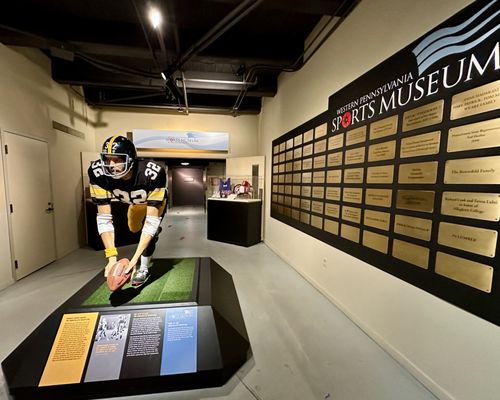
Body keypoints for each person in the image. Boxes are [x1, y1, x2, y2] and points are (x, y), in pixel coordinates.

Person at [88, 135, 167, 287]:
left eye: (117, 160)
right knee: (134, 228)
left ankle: (144, 269)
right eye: (107, 159)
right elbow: (104, 218)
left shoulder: (152, 173)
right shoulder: (98, 173)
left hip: (154, 203)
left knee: (150, 231)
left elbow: (150, 223)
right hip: (135, 204)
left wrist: (135, 259)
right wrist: (111, 257)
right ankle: (152, 236)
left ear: (130, 159)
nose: (111, 165)